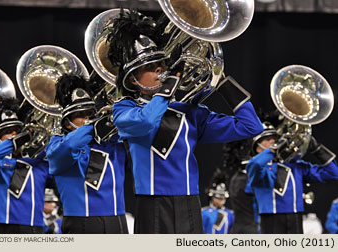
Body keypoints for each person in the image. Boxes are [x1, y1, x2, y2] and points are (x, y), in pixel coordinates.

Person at [107, 9, 263, 233]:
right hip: (152, 205)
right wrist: (170, 86)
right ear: (133, 78)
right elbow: (147, 122)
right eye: (149, 67)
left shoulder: (189, 112)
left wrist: (222, 82)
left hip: (190, 203)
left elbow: (250, 126)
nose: (159, 69)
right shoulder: (124, 109)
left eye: (160, 64)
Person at [45, 74, 128, 234]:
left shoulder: (110, 143)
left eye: (91, 114)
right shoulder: (57, 145)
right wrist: (93, 126)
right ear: (67, 123)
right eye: (80, 115)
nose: (87, 119)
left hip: (118, 222)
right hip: (82, 225)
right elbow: (68, 147)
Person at [246, 121, 338, 234]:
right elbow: (255, 164)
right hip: (271, 220)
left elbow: (334, 173)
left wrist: (317, 150)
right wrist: (274, 149)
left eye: (275, 138)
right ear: (258, 148)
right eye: (268, 139)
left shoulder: (296, 166)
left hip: (296, 219)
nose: (274, 141)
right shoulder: (258, 169)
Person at [0, 98, 50, 233]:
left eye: (18, 130)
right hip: (4, 229)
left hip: (36, 229)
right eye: (8, 131)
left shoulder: (38, 164)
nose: (15, 134)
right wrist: (18, 140)